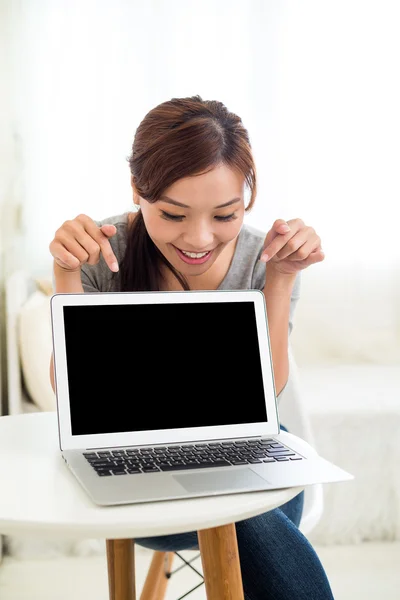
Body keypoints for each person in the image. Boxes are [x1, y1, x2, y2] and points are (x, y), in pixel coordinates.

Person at [49, 95, 332, 599]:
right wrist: (66, 275)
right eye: (173, 215)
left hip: (245, 445)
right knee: (247, 515)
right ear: (137, 190)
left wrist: (282, 280)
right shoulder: (102, 249)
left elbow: (268, 390)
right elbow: (69, 393)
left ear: (247, 198)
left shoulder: (265, 255)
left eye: (225, 215)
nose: (200, 239)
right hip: (128, 458)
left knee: (248, 511)